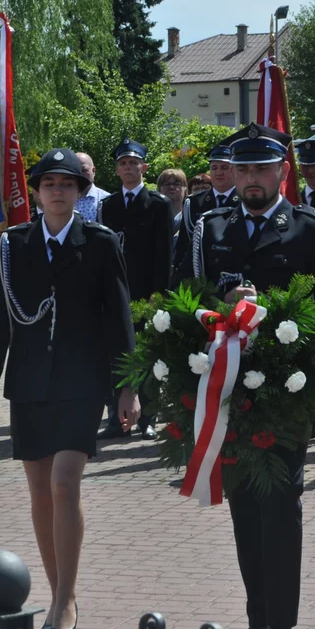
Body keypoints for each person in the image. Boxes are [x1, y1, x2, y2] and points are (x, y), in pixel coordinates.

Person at [173, 122, 315, 629]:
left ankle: (282, 626)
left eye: (262, 169)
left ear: (282, 172)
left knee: (281, 505)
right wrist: (219, 311)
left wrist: (269, 318)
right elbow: (182, 296)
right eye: (244, 169)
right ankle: (257, 624)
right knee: (245, 506)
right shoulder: (211, 229)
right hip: (227, 390)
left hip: (285, 391)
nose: (251, 179)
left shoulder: (310, 228)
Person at [0, 147, 139, 629]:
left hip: (81, 380)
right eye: (49, 183)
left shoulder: (100, 241)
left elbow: (119, 317)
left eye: (66, 184)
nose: (56, 191)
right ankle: (58, 595)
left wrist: (127, 386)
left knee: (65, 483)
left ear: (79, 192)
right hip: (28, 381)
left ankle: (65, 598)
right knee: (40, 493)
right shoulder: (13, 244)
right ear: (36, 191)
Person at [95, 138, 173, 441]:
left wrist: (158, 296)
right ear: (116, 170)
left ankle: (147, 418)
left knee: (147, 356)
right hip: (115, 293)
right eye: (123, 163)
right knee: (114, 356)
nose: (128, 168)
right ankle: (117, 418)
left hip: (146, 293)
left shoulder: (158, 205)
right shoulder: (108, 206)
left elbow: (163, 255)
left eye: (133, 162)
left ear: (145, 167)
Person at [173, 145, 239, 270]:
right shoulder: (194, 202)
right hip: (201, 273)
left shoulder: (245, 201)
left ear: (234, 170)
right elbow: (184, 245)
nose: (218, 173)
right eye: (214, 168)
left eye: (224, 168)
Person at [73, 152, 110, 222]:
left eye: (84, 170)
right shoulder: (62, 199)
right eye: (75, 171)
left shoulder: (106, 200)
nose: (80, 175)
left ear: (94, 171)